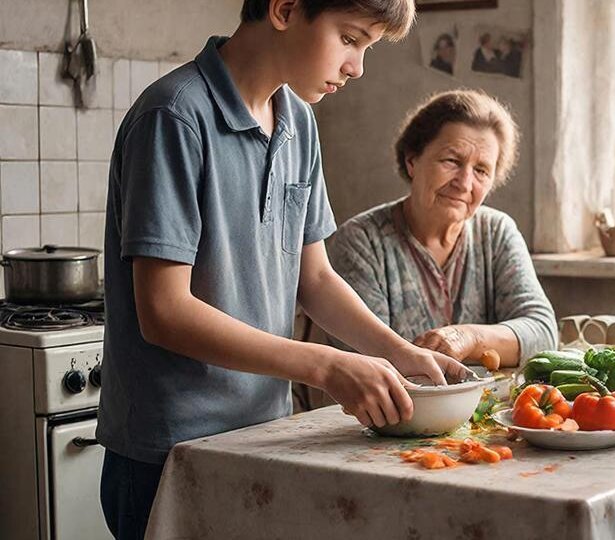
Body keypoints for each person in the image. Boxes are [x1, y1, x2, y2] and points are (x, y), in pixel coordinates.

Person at [96, 1, 470, 538]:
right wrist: (327, 366)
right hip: (170, 453)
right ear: (285, 8)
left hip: (264, 438)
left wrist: (399, 352)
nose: (357, 66)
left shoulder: (297, 120)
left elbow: (313, 279)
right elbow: (164, 311)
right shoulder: (174, 117)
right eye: (349, 38)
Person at [326, 89, 557, 368]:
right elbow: (367, 358)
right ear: (412, 160)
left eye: (482, 170)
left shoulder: (497, 232)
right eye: (451, 161)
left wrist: (469, 337)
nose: (465, 183)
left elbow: (543, 333)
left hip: (486, 408)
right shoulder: (361, 241)